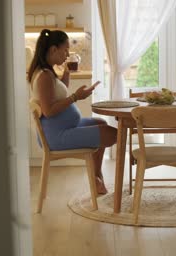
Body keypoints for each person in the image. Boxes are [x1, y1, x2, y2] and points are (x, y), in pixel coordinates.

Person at [27, 29, 116, 194]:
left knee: (101, 123)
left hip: (63, 128)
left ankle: (96, 177)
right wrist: (75, 97)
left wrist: (66, 74)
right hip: (57, 135)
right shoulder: (44, 75)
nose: (67, 54)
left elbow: (57, 94)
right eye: (65, 49)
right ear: (54, 49)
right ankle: (98, 178)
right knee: (112, 134)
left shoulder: (46, 72)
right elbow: (49, 111)